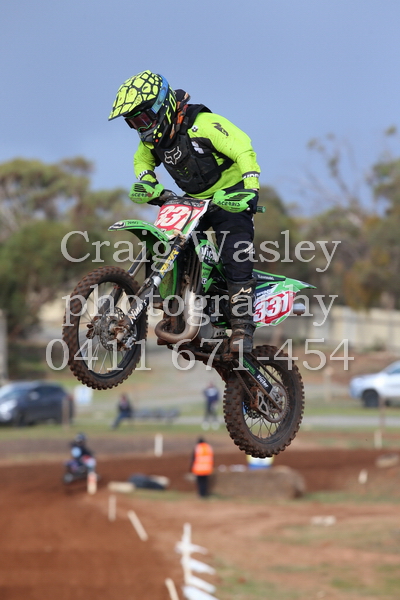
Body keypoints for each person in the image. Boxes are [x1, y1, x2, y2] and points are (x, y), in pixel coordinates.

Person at [108, 70, 261, 353]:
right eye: (133, 123)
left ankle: (242, 326)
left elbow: (243, 148)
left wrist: (251, 188)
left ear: (161, 106)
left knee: (235, 251)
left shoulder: (203, 124)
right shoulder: (153, 139)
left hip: (230, 196)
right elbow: (142, 160)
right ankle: (174, 309)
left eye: (142, 119)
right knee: (167, 241)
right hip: (193, 201)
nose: (140, 128)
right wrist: (149, 182)